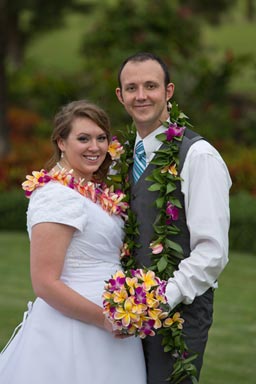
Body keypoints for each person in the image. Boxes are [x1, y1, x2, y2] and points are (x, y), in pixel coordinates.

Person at [0, 100, 147, 384]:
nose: (95, 147)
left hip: (113, 326)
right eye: (83, 138)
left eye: (101, 138)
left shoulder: (93, 193)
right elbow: (44, 281)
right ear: (61, 142)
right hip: (74, 329)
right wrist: (102, 319)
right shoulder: (57, 196)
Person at [115, 52, 232, 383]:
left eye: (150, 86)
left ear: (168, 91)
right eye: (132, 87)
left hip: (178, 320)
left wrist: (160, 300)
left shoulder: (198, 156)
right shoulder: (120, 158)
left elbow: (212, 251)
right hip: (124, 318)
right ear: (120, 96)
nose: (141, 96)